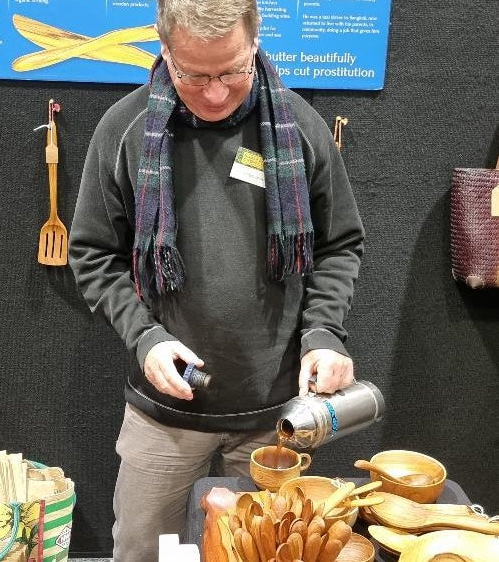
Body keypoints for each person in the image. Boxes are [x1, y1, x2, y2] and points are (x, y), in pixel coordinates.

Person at [69, 0, 364, 559]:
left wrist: (324, 331)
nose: (212, 93)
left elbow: (339, 243)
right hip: (165, 412)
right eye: (193, 74)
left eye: (231, 71)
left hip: (278, 416)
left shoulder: (299, 126)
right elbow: (93, 253)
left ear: (254, 44)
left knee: (273, 553)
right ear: (163, 51)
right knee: (140, 551)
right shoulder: (124, 130)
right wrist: (145, 337)